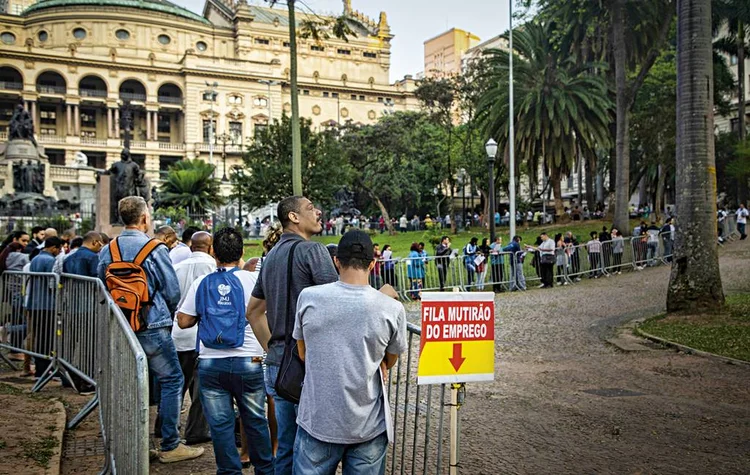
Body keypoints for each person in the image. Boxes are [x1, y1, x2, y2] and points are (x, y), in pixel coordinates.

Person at [97, 196, 203, 463]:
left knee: (127, 383)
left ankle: (130, 442)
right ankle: (169, 444)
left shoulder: (108, 249)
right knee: (171, 380)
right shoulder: (154, 248)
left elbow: (100, 285)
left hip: (120, 325)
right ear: (144, 218)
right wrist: (161, 313)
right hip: (152, 325)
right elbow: (171, 290)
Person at [292, 230, 406, 475]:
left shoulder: (309, 298)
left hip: (318, 420)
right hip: (368, 424)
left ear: (336, 261)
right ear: (373, 264)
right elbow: (391, 358)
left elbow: (303, 352)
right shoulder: (392, 308)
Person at [246, 196, 339, 475]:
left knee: (286, 444)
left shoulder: (271, 255)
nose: (318, 211)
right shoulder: (313, 251)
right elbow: (337, 302)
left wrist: (274, 348)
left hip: (278, 365)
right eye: (311, 208)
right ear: (294, 217)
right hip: (305, 365)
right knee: (312, 448)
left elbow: (253, 311)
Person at [178, 228, 273, 475]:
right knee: (255, 421)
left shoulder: (202, 283)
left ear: (213, 253)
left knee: (220, 426)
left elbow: (184, 321)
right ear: (241, 252)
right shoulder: (253, 281)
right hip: (249, 361)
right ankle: (265, 469)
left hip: (211, 363)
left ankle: (229, 471)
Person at [169, 231, 214, 446]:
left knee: (176, 384)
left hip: (179, 332)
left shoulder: (177, 267)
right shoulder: (214, 268)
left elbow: (170, 298)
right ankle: (196, 430)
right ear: (210, 246)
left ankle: (165, 426)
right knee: (200, 388)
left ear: (191, 246)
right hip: (203, 333)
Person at [27, 236, 63, 378]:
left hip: (34, 303)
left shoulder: (35, 258)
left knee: (38, 337)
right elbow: (52, 284)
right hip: (46, 304)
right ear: (53, 247)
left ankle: (39, 369)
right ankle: (42, 370)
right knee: (46, 338)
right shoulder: (49, 260)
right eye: (58, 248)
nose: (59, 251)